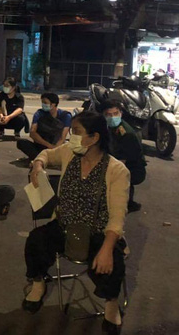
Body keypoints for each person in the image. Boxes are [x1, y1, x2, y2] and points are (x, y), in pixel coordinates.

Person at [23, 111, 130, 333]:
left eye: (77, 132)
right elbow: (46, 154)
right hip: (64, 225)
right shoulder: (69, 153)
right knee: (36, 240)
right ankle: (38, 283)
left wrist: (107, 249)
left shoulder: (116, 170)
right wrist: (38, 165)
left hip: (97, 231)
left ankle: (111, 303)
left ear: (94, 137)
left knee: (113, 261)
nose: (71, 137)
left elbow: (118, 215)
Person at [101, 99, 146, 212]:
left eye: (115, 114)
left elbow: (122, 162)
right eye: (109, 115)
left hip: (134, 169)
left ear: (120, 113)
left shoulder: (126, 133)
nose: (112, 117)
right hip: (121, 162)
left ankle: (125, 204)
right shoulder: (111, 128)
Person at [16, 93, 72, 161]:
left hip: (57, 146)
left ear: (53, 104)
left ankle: (41, 159)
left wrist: (54, 148)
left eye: (45, 103)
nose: (43, 105)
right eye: (42, 102)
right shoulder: (39, 114)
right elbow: (32, 133)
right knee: (21, 143)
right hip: (41, 145)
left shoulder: (65, 116)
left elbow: (62, 137)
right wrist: (49, 146)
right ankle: (44, 159)